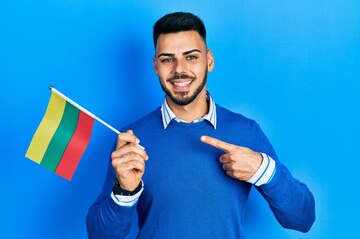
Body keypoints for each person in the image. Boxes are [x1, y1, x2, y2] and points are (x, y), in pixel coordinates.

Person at [86, 12, 315, 238]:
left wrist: (263, 170)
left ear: (210, 61)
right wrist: (125, 191)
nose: (179, 69)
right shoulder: (131, 139)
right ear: (156, 66)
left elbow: (302, 218)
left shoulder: (245, 132)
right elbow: (101, 235)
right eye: (167, 59)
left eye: (191, 57)